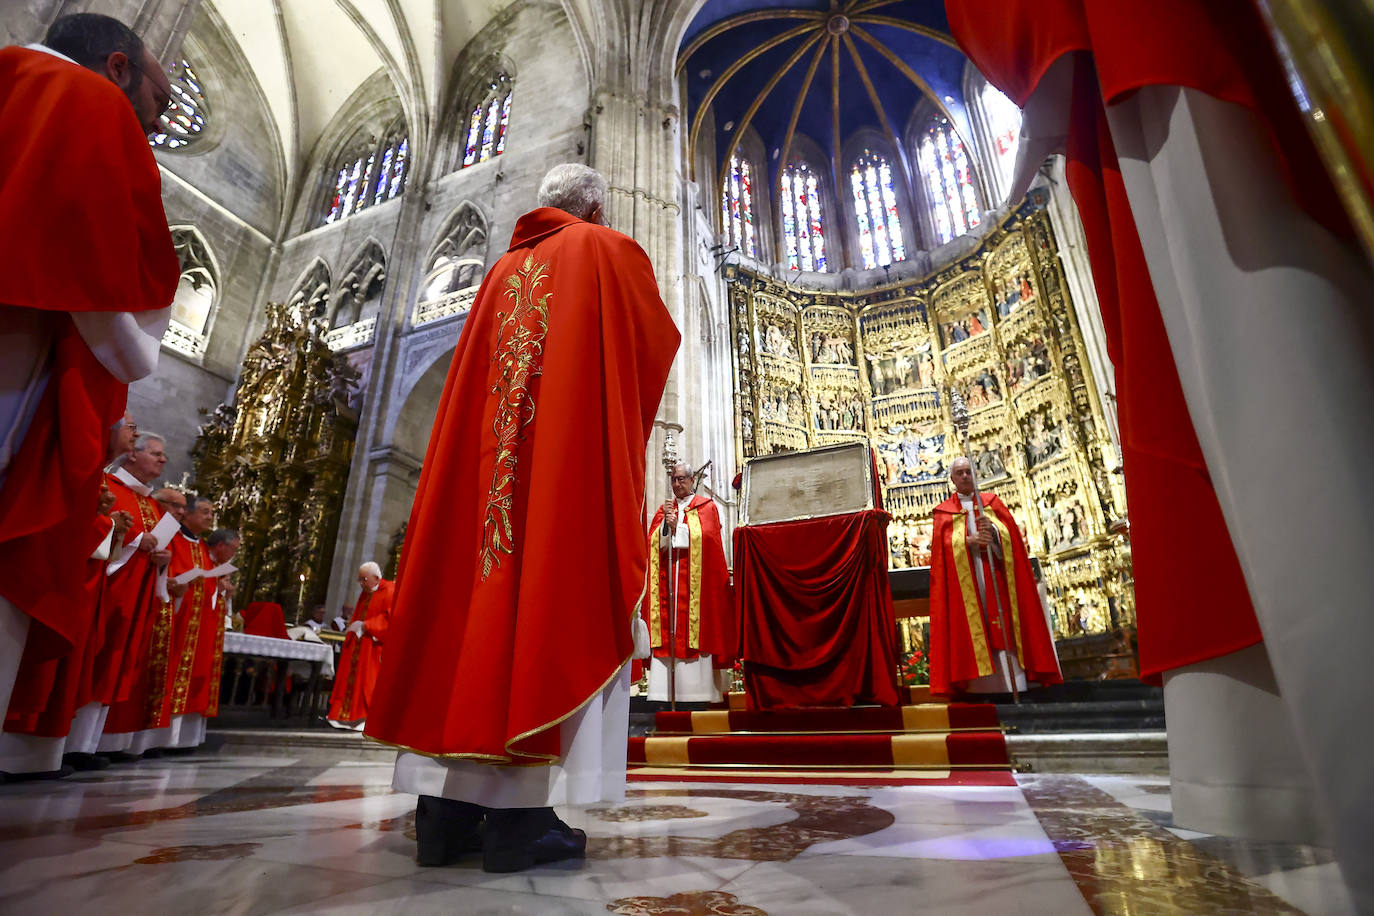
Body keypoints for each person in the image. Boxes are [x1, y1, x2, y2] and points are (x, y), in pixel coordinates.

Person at [365, 164, 678, 873]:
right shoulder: (604, 250)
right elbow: (650, 345)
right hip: (555, 480)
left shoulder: (499, 273)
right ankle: (518, 824)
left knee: (463, 623)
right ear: (595, 206)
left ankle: (444, 818)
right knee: (538, 613)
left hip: (476, 489)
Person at [0, 13, 179, 740]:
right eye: (160, 102)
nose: (158, 124)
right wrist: (136, 356)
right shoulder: (87, 101)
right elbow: (92, 264)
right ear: (115, 68)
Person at [928, 458, 1061, 697]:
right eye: (960, 472)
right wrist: (966, 542)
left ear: (976, 475)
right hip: (968, 583)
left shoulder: (992, 504)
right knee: (974, 626)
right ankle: (981, 686)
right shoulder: (944, 512)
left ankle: (1013, 684)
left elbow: (1012, 539)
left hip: (995, 575)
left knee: (1002, 623)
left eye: (969, 471)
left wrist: (996, 534)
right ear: (952, 479)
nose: (965, 476)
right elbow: (940, 551)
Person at [96, 433, 174, 756]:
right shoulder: (109, 487)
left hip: (138, 597)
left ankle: (95, 745)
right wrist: (132, 541)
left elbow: (154, 544)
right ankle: (76, 745)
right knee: (99, 659)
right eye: (156, 453)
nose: (163, 459)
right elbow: (96, 527)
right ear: (132, 455)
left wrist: (161, 560)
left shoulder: (152, 504)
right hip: (107, 592)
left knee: (121, 663)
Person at [641, 462, 735, 704]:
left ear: (692, 480)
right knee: (667, 633)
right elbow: (652, 542)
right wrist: (665, 527)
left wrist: (679, 528)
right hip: (669, 585)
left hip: (695, 590)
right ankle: (665, 693)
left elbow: (709, 540)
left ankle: (698, 693)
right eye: (673, 479)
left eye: (681, 479)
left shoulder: (706, 508)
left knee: (696, 631)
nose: (676, 484)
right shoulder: (665, 510)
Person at [163, 520, 238, 751]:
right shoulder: (199, 555)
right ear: (219, 546)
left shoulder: (211, 562)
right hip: (188, 625)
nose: (235, 554)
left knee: (199, 680)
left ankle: (188, 739)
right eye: (233, 549)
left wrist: (223, 590)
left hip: (204, 630)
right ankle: (171, 739)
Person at [327, 562, 394, 730]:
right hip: (360, 645)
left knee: (368, 683)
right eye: (360, 580)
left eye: (364, 579)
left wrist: (366, 626)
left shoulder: (390, 590)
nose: (361, 583)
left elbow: (391, 618)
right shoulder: (365, 593)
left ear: (377, 578)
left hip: (374, 647)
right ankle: (347, 717)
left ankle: (366, 718)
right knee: (352, 681)